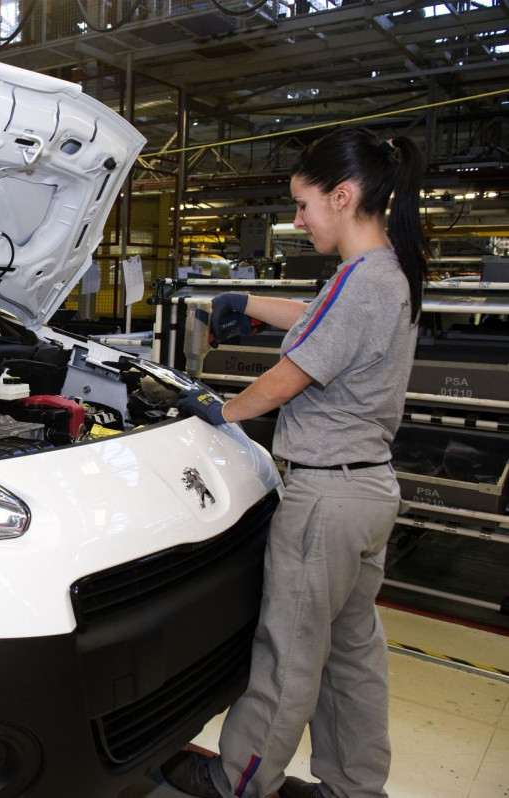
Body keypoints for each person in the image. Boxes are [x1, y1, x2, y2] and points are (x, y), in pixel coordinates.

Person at [161, 126, 427, 798]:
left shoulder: (360, 279)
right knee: (352, 656)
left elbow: (286, 379)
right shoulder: (389, 273)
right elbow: (318, 316)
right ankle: (354, 787)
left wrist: (219, 411)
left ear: (342, 197)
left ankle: (237, 779)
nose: (298, 220)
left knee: (289, 651)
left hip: (325, 504)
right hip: (368, 494)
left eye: (303, 205)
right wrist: (244, 303)